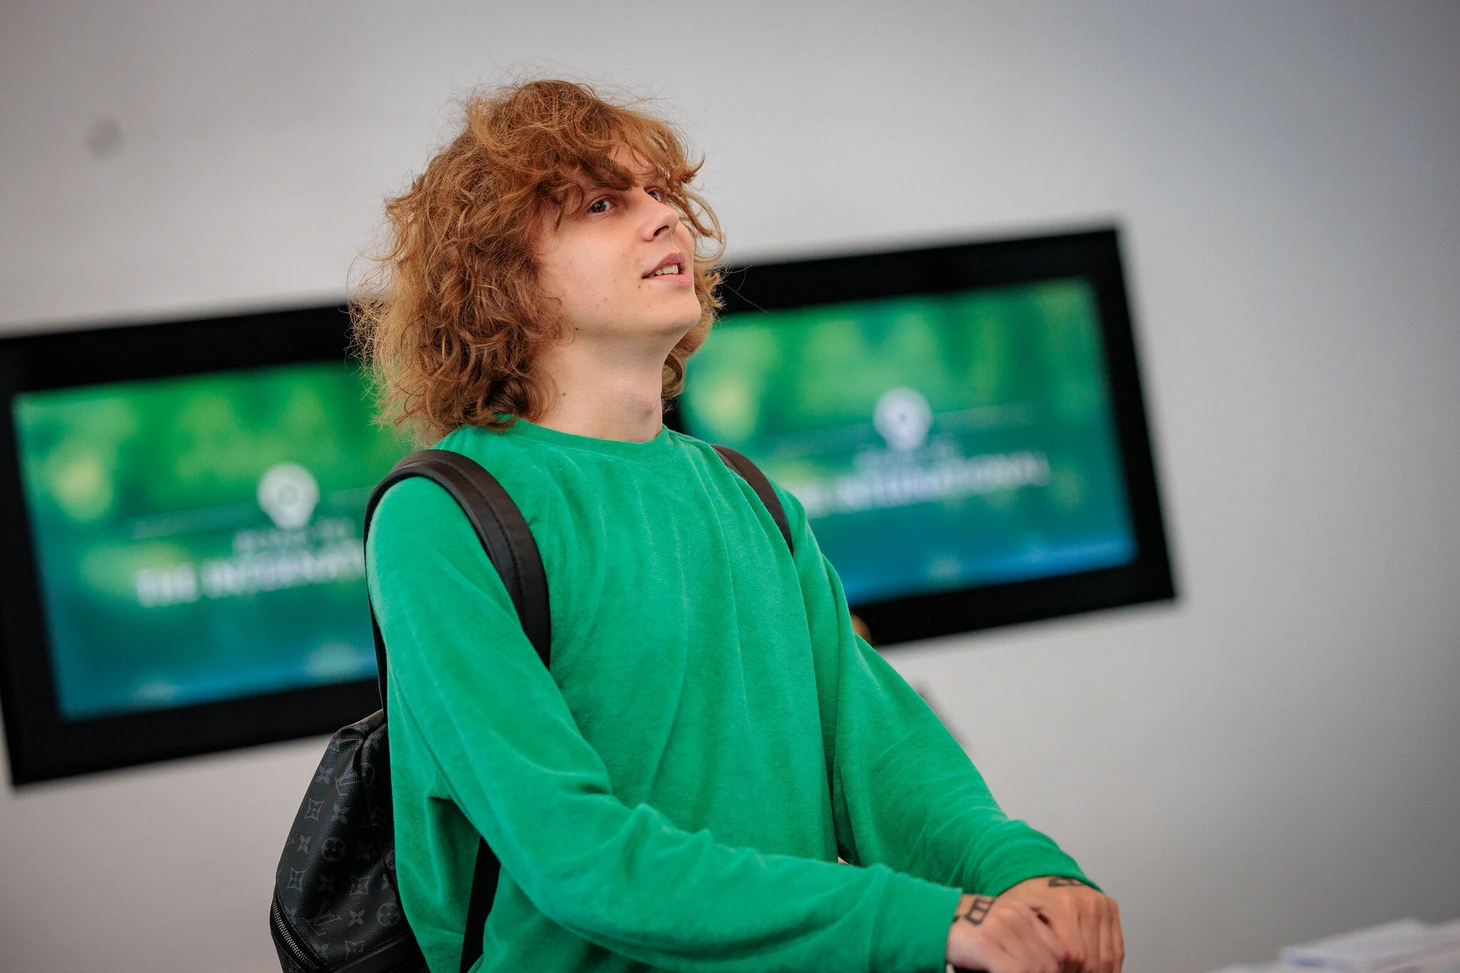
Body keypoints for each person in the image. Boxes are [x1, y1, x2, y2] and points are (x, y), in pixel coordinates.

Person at [354, 78, 1124, 973]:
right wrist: (933, 919)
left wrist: (1025, 873)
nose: (664, 218)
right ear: (500, 276)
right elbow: (578, 854)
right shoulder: (438, 518)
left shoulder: (750, 495)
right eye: (603, 203)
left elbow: (884, 759)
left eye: (662, 194)